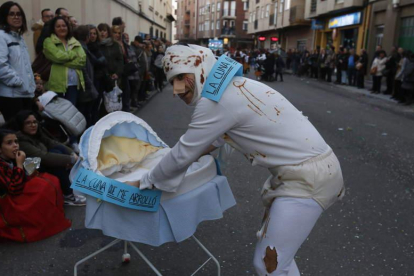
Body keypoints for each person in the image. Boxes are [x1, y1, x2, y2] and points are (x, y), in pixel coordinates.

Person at [137, 44, 344, 276]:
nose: (176, 89)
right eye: (172, 80)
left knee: (268, 266)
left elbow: (185, 151)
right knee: (279, 261)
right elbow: (212, 141)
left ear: (200, 68)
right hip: (311, 174)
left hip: (308, 179)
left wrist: (148, 179)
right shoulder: (233, 86)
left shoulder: (215, 100)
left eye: (180, 77)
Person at [0, 129, 71, 242]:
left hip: (18, 189)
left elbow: (31, 170)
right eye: (9, 143)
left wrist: (26, 164)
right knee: (43, 187)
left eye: (16, 142)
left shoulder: (12, 157)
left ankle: (49, 216)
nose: (15, 146)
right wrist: (19, 164)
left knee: (50, 179)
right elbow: (15, 189)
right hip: (8, 203)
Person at [13, 110, 86, 206]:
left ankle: (78, 181)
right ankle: (68, 195)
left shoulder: (36, 133)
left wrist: (72, 153)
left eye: (34, 122)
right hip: (30, 167)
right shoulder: (21, 140)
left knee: (58, 149)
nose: (33, 125)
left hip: (40, 160)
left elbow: (52, 143)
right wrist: (70, 159)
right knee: (55, 158)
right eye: (28, 123)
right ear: (21, 125)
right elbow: (43, 157)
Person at [0, 1, 35, 122]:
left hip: (25, 94)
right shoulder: (2, 36)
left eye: (19, 14)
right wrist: (18, 82)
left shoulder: (19, 38)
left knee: (25, 134)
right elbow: (1, 65)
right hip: (11, 95)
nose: (16, 17)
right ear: (4, 16)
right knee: (15, 132)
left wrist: (30, 84)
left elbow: (23, 66)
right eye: (12, 14)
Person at [43, 16, 86, 106]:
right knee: (59, 114)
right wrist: (73, 55)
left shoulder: (74, 41)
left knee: (71, 112)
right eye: (58, 26)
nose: (61, 28)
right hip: (57, 85)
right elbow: (57, 56)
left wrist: (62, 61)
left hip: (74, 85)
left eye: (64, 26)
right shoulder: (49, 41)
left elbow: (82, 61)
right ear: (53, 28)